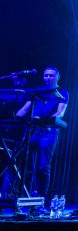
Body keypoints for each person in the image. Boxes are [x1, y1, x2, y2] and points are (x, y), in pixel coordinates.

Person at [1, 66, 68, 200]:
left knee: (43, 166)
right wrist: (14, 118)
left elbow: (61, 112)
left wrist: (48, 121)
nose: (48, 78)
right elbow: (24, 109)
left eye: (51, 75)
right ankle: (4, 195)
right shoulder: (37, 91)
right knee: (16, 160)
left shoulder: (62, 92)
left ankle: (40, 199)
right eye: (45, 75)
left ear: (57, 77)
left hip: (48, 131)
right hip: (32, 130)